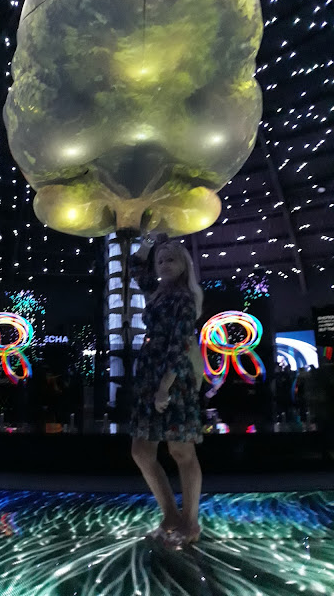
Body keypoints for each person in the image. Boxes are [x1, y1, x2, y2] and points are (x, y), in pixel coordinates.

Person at [129, 232, 204, 548]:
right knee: (141, 451)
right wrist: (149, 243)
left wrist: (164, 387)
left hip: (172, 377)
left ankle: (190, 522)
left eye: (171, 258)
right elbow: (136, 267)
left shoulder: (184, 298)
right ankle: (170, 515)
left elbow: (180, 343)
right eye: (160, 260)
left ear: (184, 264)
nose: (164, 264)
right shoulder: (158, 292)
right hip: (151, 373)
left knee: (181, 451)